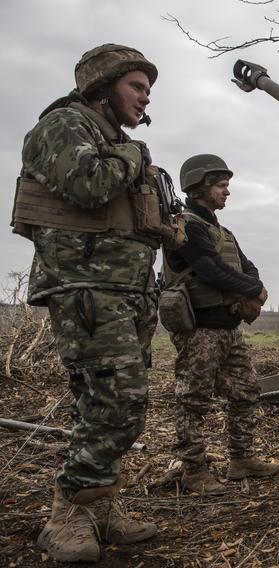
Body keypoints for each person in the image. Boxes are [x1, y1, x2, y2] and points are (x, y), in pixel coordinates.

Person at [11, 44, 178, 562]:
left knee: (108, 405)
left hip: (127, 291)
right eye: (136, 86)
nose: (145, 97)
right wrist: (135, 155)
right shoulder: (63, 125)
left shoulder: (113, 141)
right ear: (101, 87)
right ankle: (67, 513)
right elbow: (88, 183)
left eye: (149, 89)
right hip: (86, 287)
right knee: (119, 402)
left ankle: (98, 505)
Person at [162, 154, 279, 495]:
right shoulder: (186, 226)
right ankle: (193, 470)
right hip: (200, 329)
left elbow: (246, 265)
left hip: (228, 328)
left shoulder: (221, 230)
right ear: (200, 186)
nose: (227, 192)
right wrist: (254, 289)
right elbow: (211, 269)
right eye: (221, 185)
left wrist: (253, 285)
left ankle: (241, 460)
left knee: (245, 392)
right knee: (193, 400)